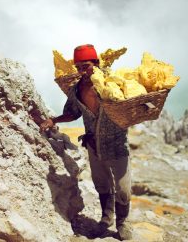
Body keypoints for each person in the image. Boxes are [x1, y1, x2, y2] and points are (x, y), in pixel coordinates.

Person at [40, 44, 132, 240]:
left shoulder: (111, 83)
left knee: (123, 189)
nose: (83, 70)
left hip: (117, 144)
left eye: (87, 65)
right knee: (102, 186)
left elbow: (131, 102)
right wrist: (54, 120)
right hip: (93, 144)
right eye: (80, 67)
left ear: (97, 63)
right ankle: (105, 221)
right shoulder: (77, 89)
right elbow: (72, 113)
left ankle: (123, 224)